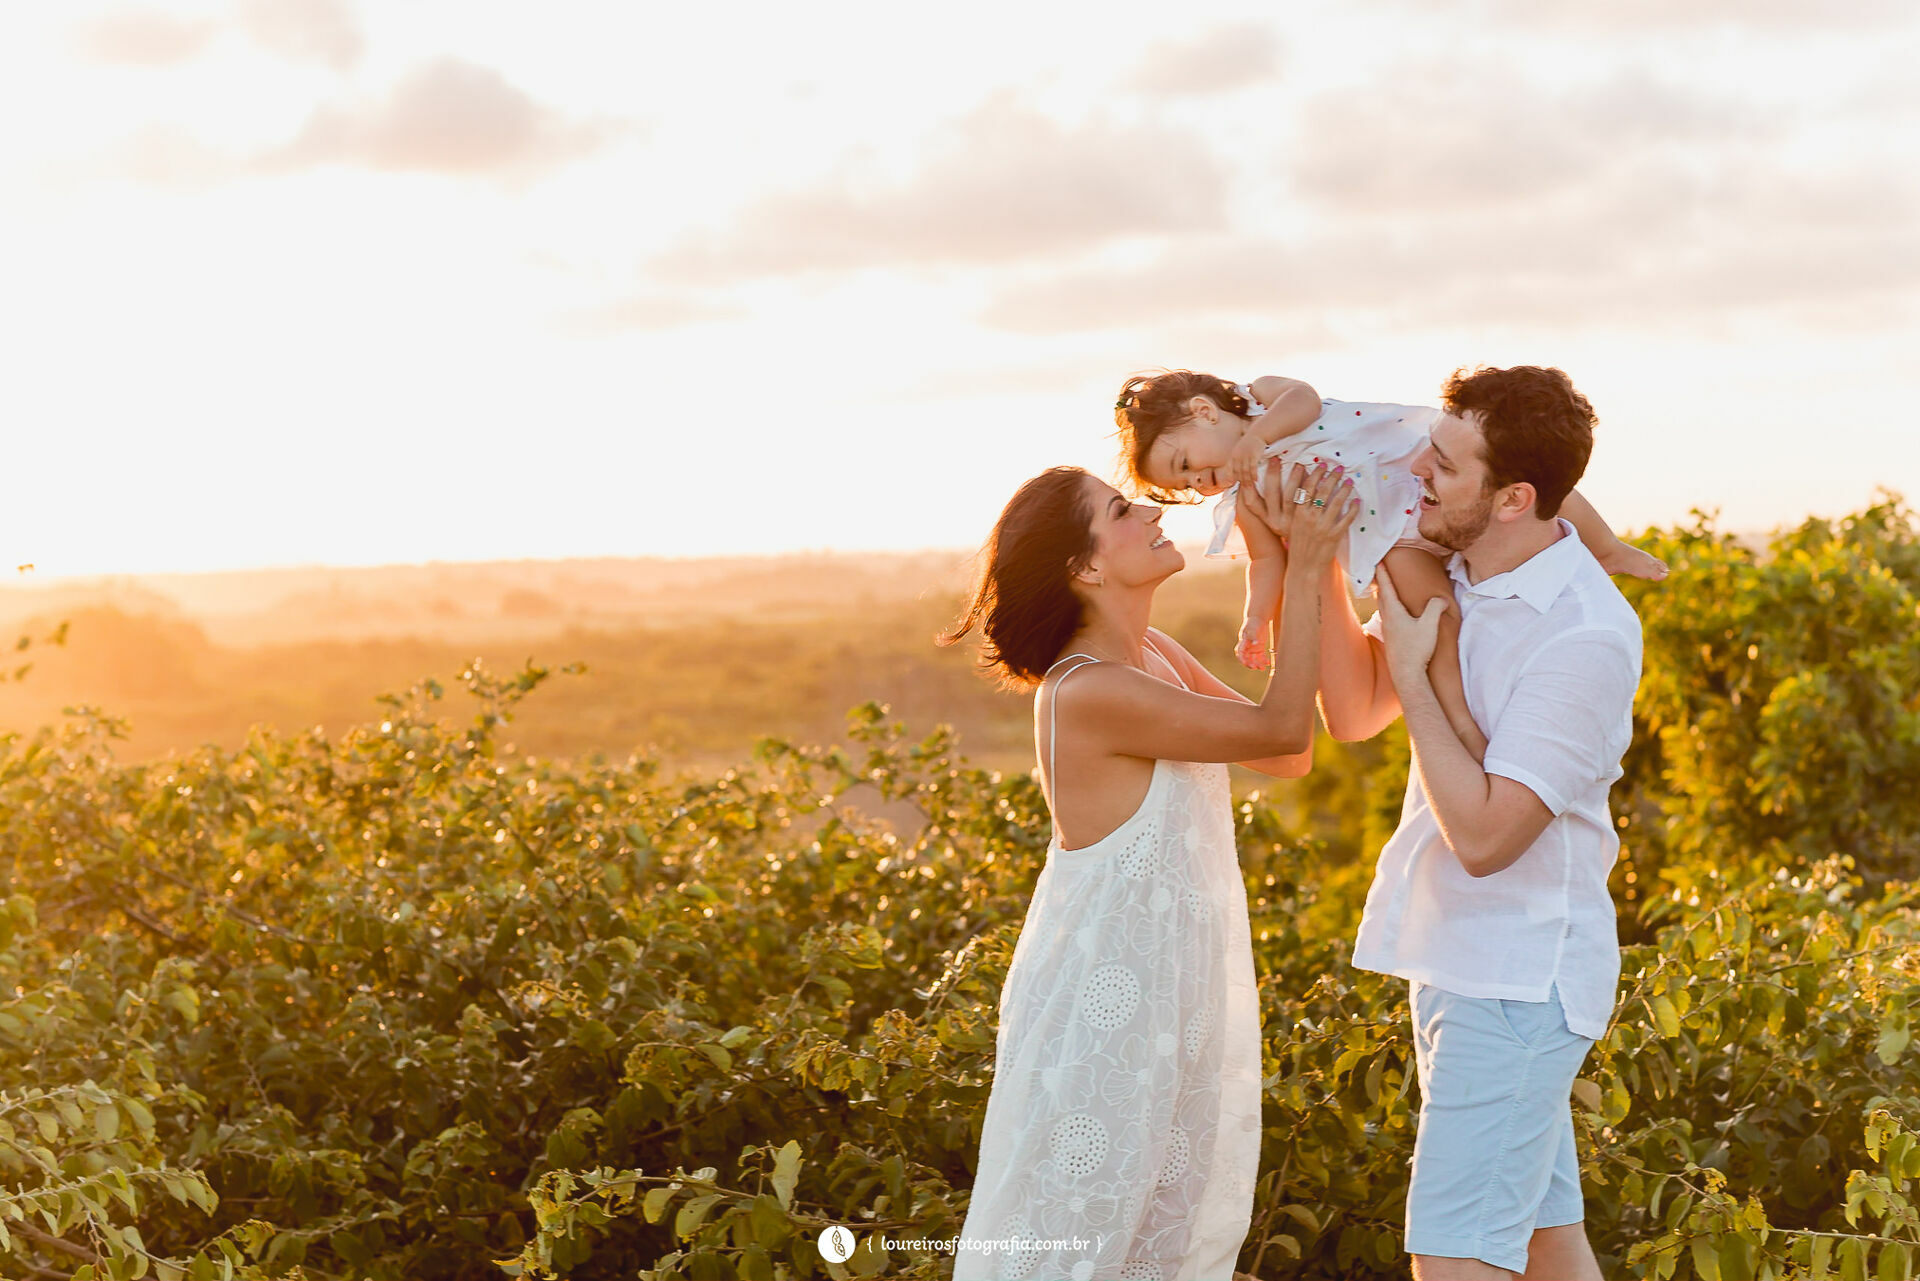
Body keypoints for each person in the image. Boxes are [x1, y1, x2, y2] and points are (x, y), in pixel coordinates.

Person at [940, 460, 1355, 1281]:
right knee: (1073, 1238)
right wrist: (1305, 565)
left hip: (1167, 1008)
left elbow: (1288, 749)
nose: (1155, 513)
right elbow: (1278, 718)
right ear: (1086, 567)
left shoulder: (1154, 653)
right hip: (1104, 1012)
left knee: (1150, 1244)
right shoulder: (1084, 693)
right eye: (1123, 509)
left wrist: (1302, 569)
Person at [1294, 365, 1643, 1281]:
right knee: (1542, 1243)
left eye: (1444, 465)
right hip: (1460, 964)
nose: (1414, 467)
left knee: (1450, 1259)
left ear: (1513, 498)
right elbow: (1353, 709)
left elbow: (1487, 840)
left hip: (1520, 980)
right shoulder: (1459, 574)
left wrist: (1416, 677)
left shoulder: (1583, 636)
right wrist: (1317, 560)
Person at [1113, 369, 1661, 761]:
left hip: (1390, 466)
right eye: (1182, 485)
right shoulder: (1248, 498)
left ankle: (1607, 547)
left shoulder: (1264, 402)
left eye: (1186, 463)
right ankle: (1462, 726)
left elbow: (1304, 398)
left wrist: (1259, 438)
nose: (1195, 483)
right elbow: (1264, 564)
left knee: (1542, 483)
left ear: (1204, 412)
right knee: (1432, 621)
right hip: (1395, 537)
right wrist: (1261, 611)